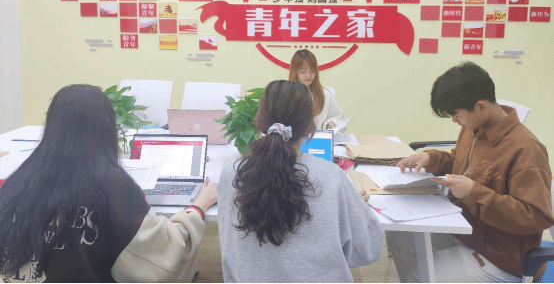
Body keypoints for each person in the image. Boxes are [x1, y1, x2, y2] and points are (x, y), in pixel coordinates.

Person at [0, 84, 218, 283]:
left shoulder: (20, 180)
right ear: (107, 128)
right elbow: (165, 257)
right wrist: (198, 206)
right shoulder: (111, 186)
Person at [390, 62, 554, 283]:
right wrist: (430, 158)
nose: (454, 120)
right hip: (465, 231)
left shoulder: (526, 148)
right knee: (399, 237)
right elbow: (461, 162)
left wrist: (473, 193)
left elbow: (535, 216)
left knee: (418, 274)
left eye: (456, 114)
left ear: (481, 107)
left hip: (502, 257)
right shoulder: (473, 128)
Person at [217, 80, 382, 283]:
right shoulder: (331, 177)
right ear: (311, 128)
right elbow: (368, 249)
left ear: (259, 122)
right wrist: (350, 206)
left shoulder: (231, 175)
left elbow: (230, 248)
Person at [289, 49, 347, 130]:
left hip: (320, 137)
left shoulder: (325, 94)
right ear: (294, 72)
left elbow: (339, 118)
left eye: (312, 71)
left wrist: (331, 124)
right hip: (295, 138)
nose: (308, 76)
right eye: (303, 72)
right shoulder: (287, 95)